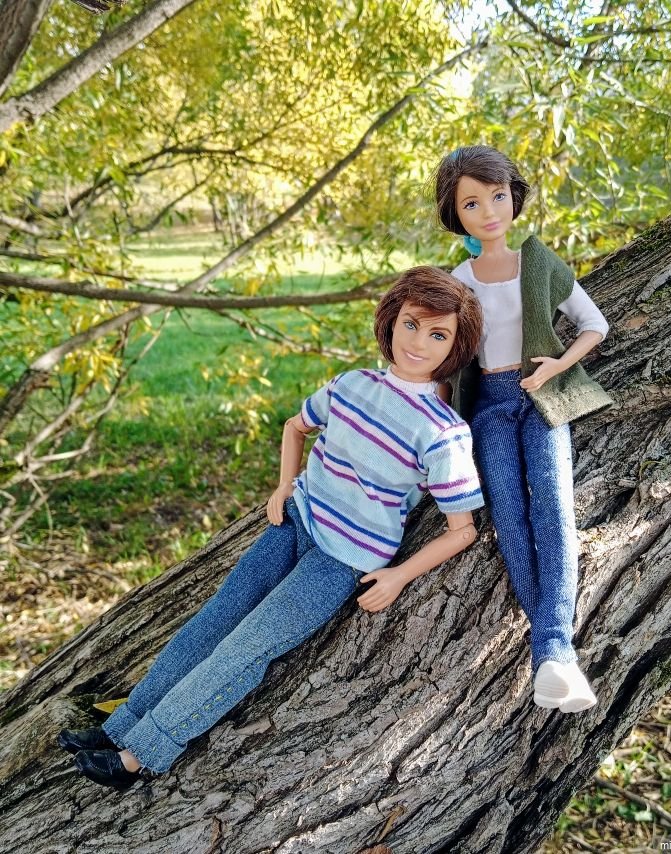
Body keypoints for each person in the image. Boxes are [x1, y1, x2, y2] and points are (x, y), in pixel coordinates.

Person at [58, 267, 485, 789]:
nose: (419, 342)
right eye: (412, 324)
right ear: (391, 320)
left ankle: (143, 754)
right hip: (295, 523)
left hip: (343, 560)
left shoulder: (443, 434)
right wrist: (284, 487)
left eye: (438, 334)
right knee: (211, 625)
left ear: (455, 346)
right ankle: (123, 724)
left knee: (247, 649)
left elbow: (461, 530)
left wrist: (398, 576)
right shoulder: (352, 384)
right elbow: (296, 426)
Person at [434, 145, 614, 713]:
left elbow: (594, 325)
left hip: (541, 395)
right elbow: (447, 361)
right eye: (471, 203)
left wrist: (557, 365)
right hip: (487, 402)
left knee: (554, 505)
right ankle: (555, 657)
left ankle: (554, 652)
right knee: (508, 514)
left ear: (514, 198)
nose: (488, 211)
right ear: (455, 214)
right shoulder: (456, 281)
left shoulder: (537, 262)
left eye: (497, 196)